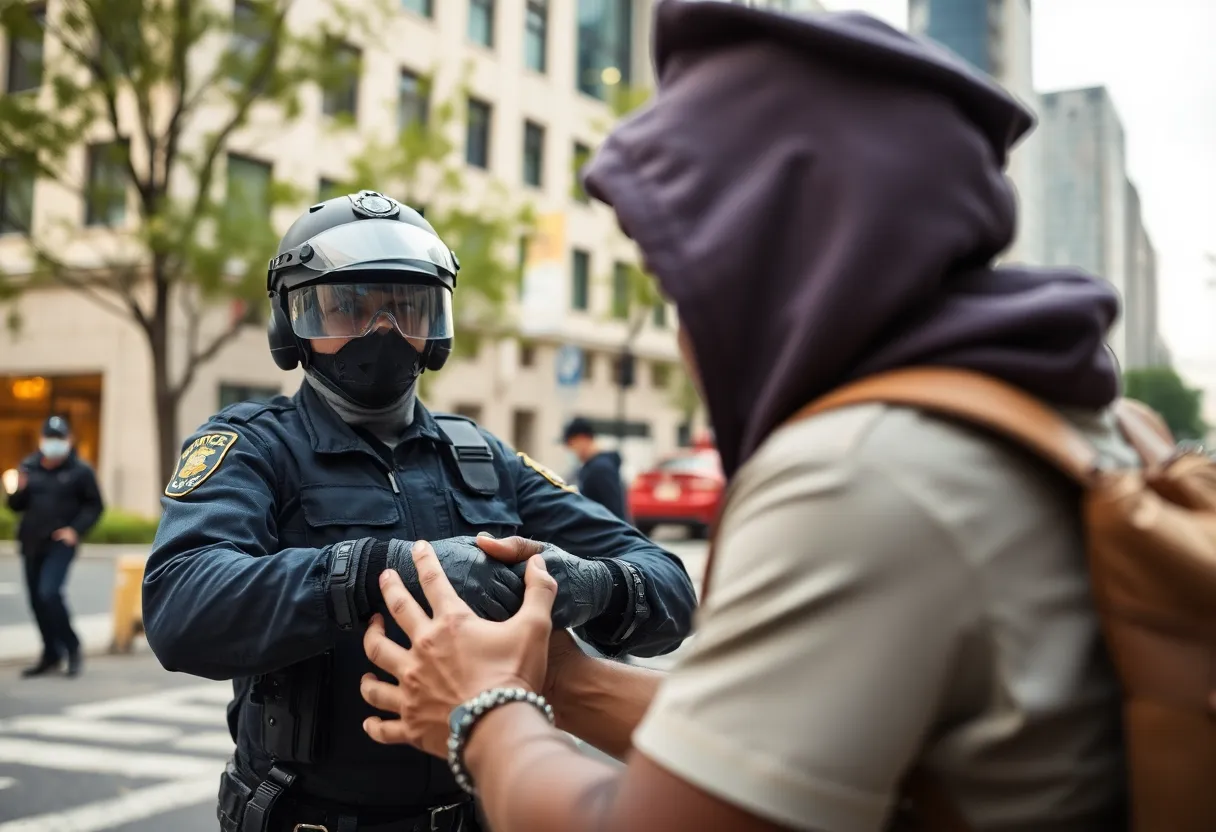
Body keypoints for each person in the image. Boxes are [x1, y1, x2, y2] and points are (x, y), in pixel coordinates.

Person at [352, 3, 1132, 831]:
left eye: (686, 287)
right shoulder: (1032, 412)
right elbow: (762, 763)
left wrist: (483, 714)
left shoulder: (860, 475)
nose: (687, 334)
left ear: (771, 261)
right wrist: (562, 682)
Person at [141, 189, 696, 832]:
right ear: (292, 323)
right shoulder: (256, 446)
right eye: (348, 308)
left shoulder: (481, 455)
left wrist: (588, 585)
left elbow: (669, 585)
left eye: (407, 307)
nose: (384, 333)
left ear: (438, 326)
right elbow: (180, 604)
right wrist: (380, 570)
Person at [7, 415, 104, 678]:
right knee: (37, 601)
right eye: (50, 438)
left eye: (60, 439)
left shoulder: (80, 471)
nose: (54, 444)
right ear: (41, 440)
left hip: (60, 544)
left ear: (69, 441)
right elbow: (15, 506)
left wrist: (75, 530)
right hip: (31, 542)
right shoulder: (28, 466)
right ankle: (51, 653)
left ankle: (71, 647)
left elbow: (95, 506)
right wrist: (17, 491)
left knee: (49, 593)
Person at [562, 417, 629, 522]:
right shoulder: (592, 467)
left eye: (572, 444)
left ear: (582, 439)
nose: (572, 451)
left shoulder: (600, 469)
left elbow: (614, 510)